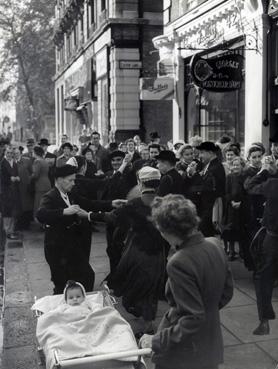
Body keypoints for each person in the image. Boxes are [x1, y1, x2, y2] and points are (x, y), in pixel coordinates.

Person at [139, 194, 234, 369]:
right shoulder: (215, 244)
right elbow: (227, 292)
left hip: (185, 353)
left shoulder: (179, 262)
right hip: (209, 343)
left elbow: (193, 318)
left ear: (166, 230)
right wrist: (207, 310)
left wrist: (157, 339)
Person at [92, 166, 167, 337]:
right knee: (150, 287)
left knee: (133, 284)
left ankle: (147, 325)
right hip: (157, 251)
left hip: (136, 250)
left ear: (140, 183)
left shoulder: (134, 204)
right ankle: (147, 321)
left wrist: (87, 215)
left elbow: (111, 217)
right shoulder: (164, 202)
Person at [36, 165, 124, 294]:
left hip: (71, 245)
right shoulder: (50, 197)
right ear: (59, 180)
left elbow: (89, 203)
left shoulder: (70, 194)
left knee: (86, 276)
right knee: (62, 284)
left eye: (74, 180)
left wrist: (110, 203)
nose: (73, 183)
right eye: (70, 180)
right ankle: (64, 309)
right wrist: (64, 211)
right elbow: (41, 214)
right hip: (57, 248)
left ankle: (79, 305)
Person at [244, 155, 278, 335]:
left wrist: (264, 170)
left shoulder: (272, 184)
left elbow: (249, 186)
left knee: (263, 277)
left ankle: (264, 320)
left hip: (272, 239)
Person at [0, 146, 21, 239]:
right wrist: (10, 179)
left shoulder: (14, 163)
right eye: (7, 152)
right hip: (6, 191)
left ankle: (12, 230)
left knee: (14, 210)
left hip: (14, 190)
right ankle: (7, 231)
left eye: (11, 153)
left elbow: (16, 174)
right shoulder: (2, 163)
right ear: (5, 153)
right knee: (7, 211)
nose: (9, 154)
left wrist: (17, 178)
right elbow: (2, 177)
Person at [13, 147, 33, 230]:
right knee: (18, 206)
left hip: (26, 187)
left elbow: (32, 173)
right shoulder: (11, 162)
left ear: (20, 153)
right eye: (14, 153)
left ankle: (26, 224)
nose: (16, 155)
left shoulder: (27, 160)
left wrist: (28, 181)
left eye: (17, 153)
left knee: (26, 205)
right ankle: (19, 225)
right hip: (15, 188)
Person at [31, 146, 52, 217]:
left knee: (38, 205)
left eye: (33, 152)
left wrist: (28, 177)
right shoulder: (44, 161)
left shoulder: (37, 161)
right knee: (46, 204)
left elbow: (35, 175)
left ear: (35, 153)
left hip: (40, 185)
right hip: (47, 184)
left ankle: (39, 223)